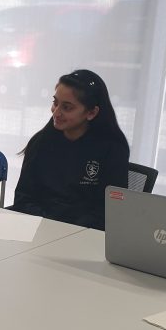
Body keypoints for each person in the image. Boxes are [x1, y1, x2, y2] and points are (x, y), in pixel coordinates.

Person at [12, 70, 129, 230]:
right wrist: (47, 224)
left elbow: (108, 213)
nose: (56, 112)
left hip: (83, 234)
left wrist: (65, 229)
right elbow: (23, 199)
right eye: (55, 103)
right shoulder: (41, 142)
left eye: (67, 107)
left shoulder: (112, 149)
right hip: (40, 228)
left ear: (91, 112)